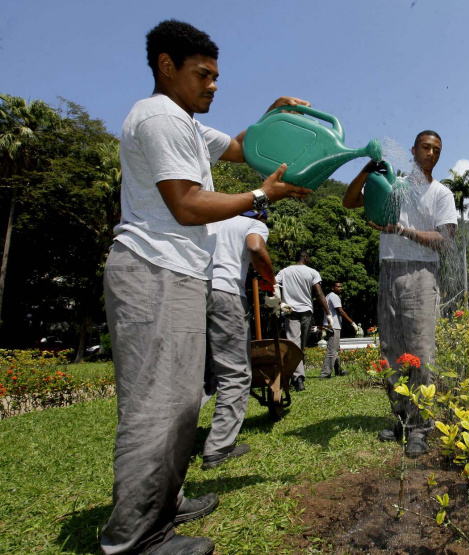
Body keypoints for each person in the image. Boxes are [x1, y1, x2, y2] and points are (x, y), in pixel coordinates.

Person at [103, 19, 311, 555]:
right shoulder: (160, 118)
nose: (213, 85)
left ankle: (164, 505)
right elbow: (187, 203)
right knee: (158, 406)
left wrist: (271, 118)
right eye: (203, 75)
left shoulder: (190, 126)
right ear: (166, 66)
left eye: (216, 76)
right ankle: (136, 540)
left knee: (179, 403)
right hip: (152, 270)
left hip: (179, 273)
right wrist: (261, 198)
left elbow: (240, 148)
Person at [343, 131, 457, 457]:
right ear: (413, 150)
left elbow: (445, 240)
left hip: (421, 273)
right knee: (390, 350)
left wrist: (402, 230)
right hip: (389, 271)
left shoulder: (440, 193)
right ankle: (402, 419)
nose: (431, 153)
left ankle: (420, 427)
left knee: (420, 351)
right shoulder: (393, 187)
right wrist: (367, 169)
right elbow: (350, 201)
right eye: (426, 147)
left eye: (437, 149)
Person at [200, 209, 274, 470]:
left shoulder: (211, 221)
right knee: (236, 373)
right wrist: (270, 280)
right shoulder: (253, 225)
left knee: (200, 373)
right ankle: (219, 447)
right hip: (227, 294)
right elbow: (255, 248)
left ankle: (174, 440)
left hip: (196, 290)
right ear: (260, 215)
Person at [276, 249, 330, 391]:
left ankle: (295, 377)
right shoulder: (312, 272)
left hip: (290, 311)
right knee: (299, 345)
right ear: (305, 258)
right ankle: (299, 378)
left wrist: (281, 302)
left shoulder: (284, 272)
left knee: (296, 345)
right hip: (306, 312)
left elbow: (273, 285)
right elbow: (319, 294)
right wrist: (328, 313)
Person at [319, 280, 358, 379]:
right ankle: (325, 374)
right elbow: (341, 311)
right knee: (332, 350)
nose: (341, 288)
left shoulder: (329, 296)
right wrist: (352, 323)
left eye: (341, 286)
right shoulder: (334, 296)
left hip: (331, 325)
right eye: (338, 286)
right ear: (333, 288)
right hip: (334, 326)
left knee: (335, 349)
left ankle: (338, 370)